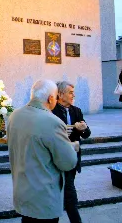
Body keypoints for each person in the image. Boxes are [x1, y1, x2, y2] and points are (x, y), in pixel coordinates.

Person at [7, 79, 78, 222]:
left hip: (22, 192)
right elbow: (68, 162)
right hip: (44, 197)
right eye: (56, 96)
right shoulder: (52, 122)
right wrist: (72, 147)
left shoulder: (15, 116)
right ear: (51, 98)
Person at [52, 81, 91, 223]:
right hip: (55, 159)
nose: (73, 95)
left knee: (68, 189)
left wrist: (83, 129)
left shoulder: (76, 111)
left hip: (72, 158)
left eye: (73, 92)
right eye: (70, 92)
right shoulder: (51, 110)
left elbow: (87, 134)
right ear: (60, 94)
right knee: (66, 193)